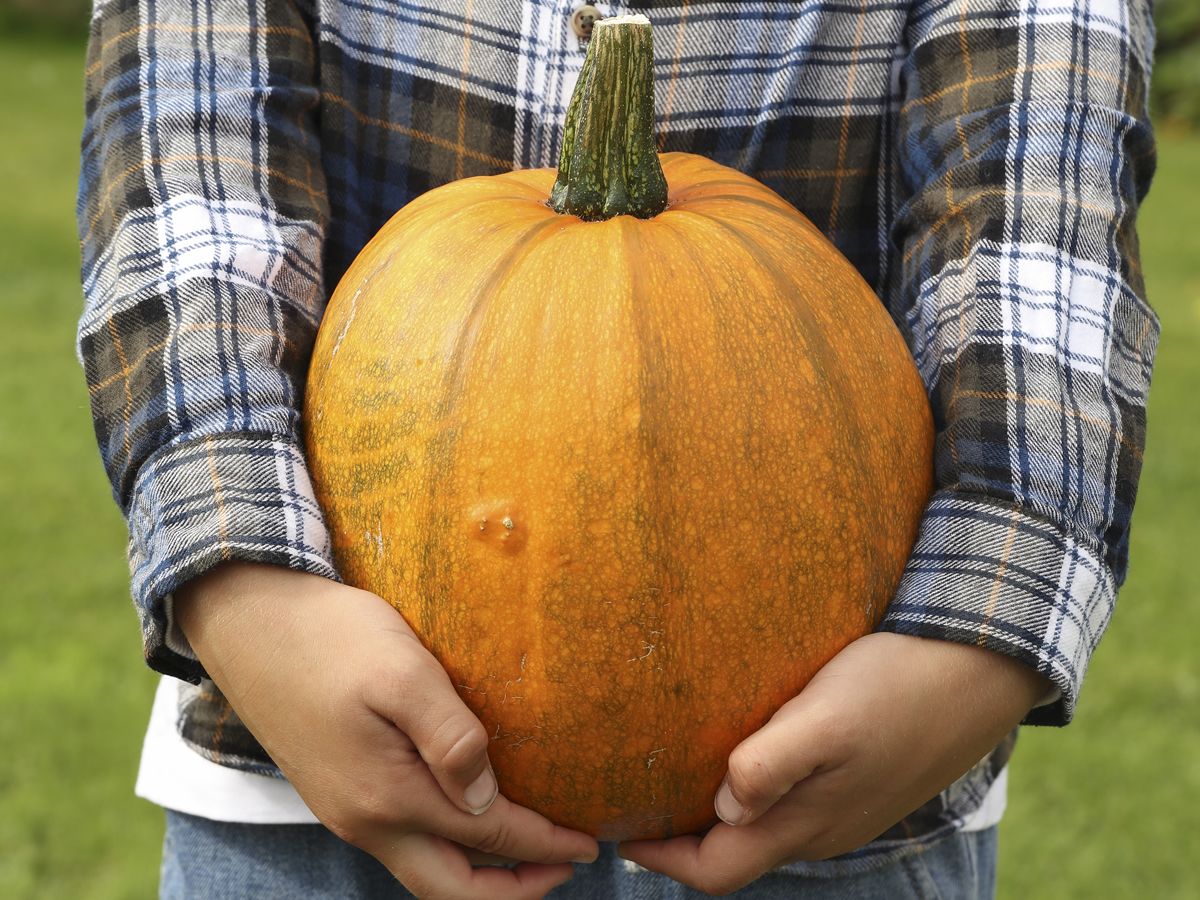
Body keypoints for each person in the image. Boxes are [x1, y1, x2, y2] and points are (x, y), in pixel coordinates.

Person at [76, 1, 1158, 897]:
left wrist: (983, 630)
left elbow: (1037, 206)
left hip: (848, 766)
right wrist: (244, 586)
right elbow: (186, 165)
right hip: (307, 747)